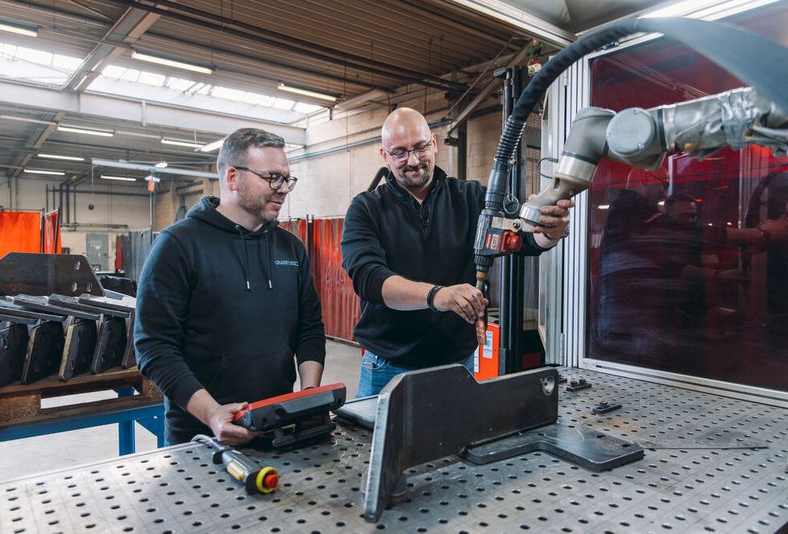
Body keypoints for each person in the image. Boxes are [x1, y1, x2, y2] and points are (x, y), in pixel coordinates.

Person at [341, 107, 572, 397]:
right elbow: (369, 279)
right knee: (378, 443)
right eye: (399, 152)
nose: (412, 161)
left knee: (457, 443)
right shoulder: (365, 209)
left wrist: (550, 230)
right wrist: (439, 296)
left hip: (457, 366)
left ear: (434, 143)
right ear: (384, 155)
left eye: (420, 147)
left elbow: (525, 240)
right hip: (387, 369)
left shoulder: (472, 198)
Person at [135, 128, 325, 445]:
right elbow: (154, 347)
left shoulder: (291, 249)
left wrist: (308, 395)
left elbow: (310, 328)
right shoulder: (179, 245)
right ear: (233, 177)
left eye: (286, 179)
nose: (282, 189)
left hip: (279, 426)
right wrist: (212, 413)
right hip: (202, 436)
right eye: (272, 178)